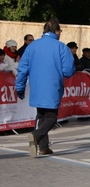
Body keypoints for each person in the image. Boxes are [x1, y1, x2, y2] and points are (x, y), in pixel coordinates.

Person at [15, 17, 75, 158]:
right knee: (52, 117)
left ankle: (43, 147)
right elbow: (68, 71)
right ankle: (36, 136)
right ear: (56, 31)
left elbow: (22, 69)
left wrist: (20, 88)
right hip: (53, 86)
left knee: (42, 115)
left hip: (36, 87)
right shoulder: (61, 47)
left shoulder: (32, 46)